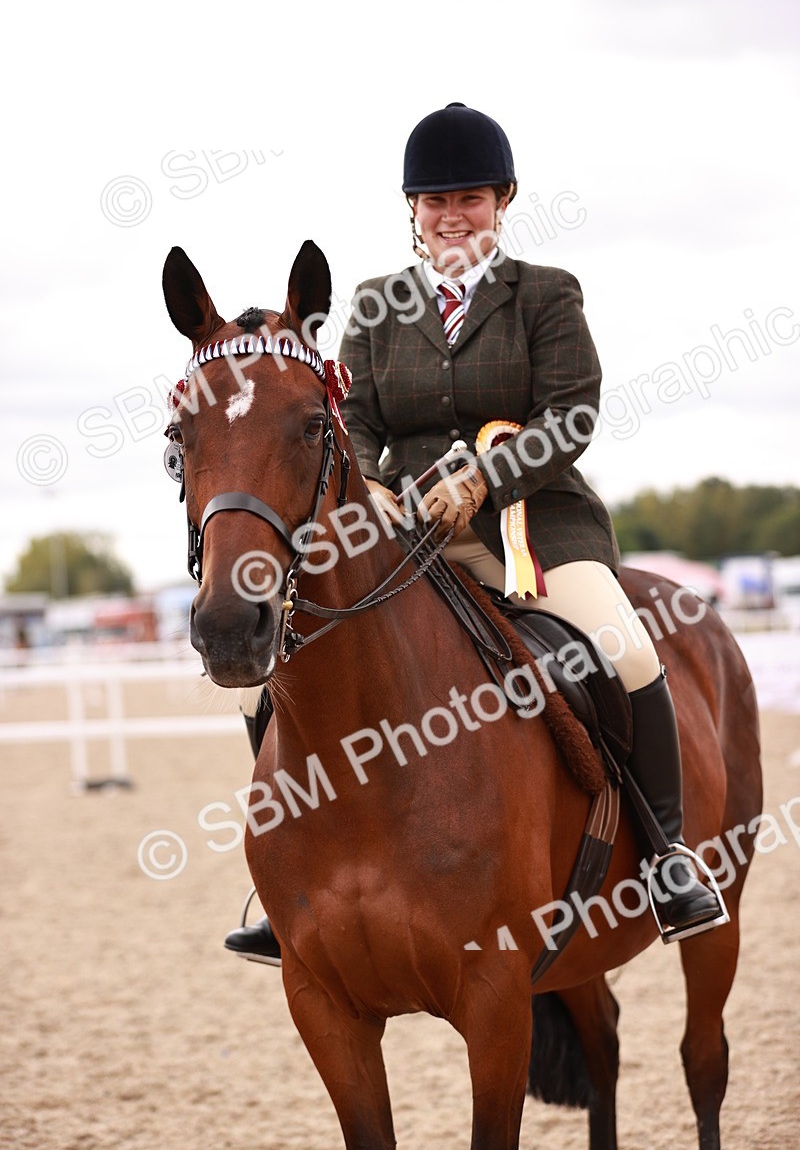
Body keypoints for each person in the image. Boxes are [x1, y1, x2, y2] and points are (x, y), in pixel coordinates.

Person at [225, 102, 725, 964]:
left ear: (502, 201)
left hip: (537, 528)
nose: (452, 215)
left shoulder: (546, 294)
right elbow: (353, 420)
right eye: (435, 201)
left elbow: (572, 415)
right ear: (412, 210)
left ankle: (668, 858)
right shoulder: (381, 304)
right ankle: (290, 881)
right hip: (405, 533)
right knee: (282, 669)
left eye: (470, 198)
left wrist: (484, 476)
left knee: (629, 651)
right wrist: (377, 486)